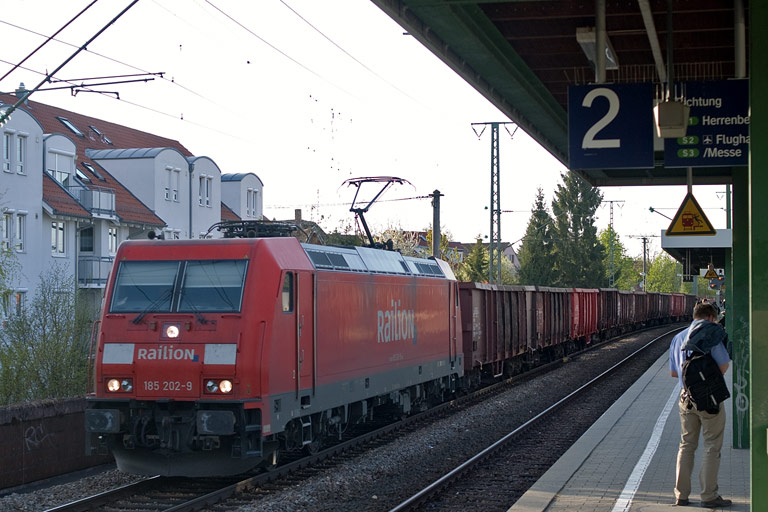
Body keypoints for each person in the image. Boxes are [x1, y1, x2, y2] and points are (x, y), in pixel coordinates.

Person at [669, 302, 731, 508]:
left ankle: (681, 495)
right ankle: (708, 495)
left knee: (686, 445)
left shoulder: (678, 338)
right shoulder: (710, 335)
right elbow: (723, 365)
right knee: (711, 446)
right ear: (711, 317)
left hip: (686, 398)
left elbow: (674, 373)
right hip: (709, 399)